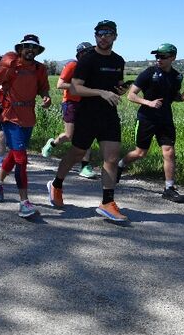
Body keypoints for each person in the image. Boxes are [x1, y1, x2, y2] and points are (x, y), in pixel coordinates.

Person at [46, 20, 128, 222]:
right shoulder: (87, 60)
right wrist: (101, 92)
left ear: (115, 36)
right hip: (87, 114)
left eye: (108, 33)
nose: (103, 37)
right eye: (100, 33)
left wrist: (120, 90)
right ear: (95, 36)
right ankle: (56, 184)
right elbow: (74, 88)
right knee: (77, 153)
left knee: (111, 157)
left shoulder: (118, 61)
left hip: (109, 115)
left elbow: (115, 85)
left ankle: (107, 202)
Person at [0, 34, 51, 217]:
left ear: (38, 51)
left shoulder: (40, 69)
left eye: (34, 47)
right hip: (10, 116)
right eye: (26, 46)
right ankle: (24, 202)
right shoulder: (10, 68)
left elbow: (43, 88)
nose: (30, 50)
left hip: (28, 117)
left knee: (15, 155)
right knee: (21, 159)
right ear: (20, 49)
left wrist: (46, 96)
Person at [117, 43, 184, 203]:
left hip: (165, 119)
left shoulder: (177, 76)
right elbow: (131, 95)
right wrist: (149, 103)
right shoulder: (148, 73)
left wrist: (182, 98)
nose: (158, 59)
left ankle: (169, 188)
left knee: (169, 151)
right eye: (157, 56)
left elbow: (173, 96)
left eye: (162, 56)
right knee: (140, 153)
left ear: (172, 58)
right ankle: (120, 165)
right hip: (146, 119)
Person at [41, 42, 98, 179]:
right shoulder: (72, 65)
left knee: (86, 134)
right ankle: (52, 143)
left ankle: (85, 166)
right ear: (80, 54)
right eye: (87, 52)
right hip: (70, 103)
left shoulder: (92, 68)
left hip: (86, 103)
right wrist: (78, 87)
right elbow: (60, 84)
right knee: (69, 135)